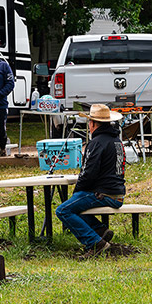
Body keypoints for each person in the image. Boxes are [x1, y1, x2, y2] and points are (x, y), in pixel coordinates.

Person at [56, 104, 126, 259]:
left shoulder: (96, 143)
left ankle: (95, 243)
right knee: (74, 204)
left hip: (104, 194)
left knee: (63, 210)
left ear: (93, 124)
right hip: (118, 193)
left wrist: (76, 192)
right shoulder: (116, 140)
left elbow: (88, 173)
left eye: (89, 122)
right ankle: (100, 230)